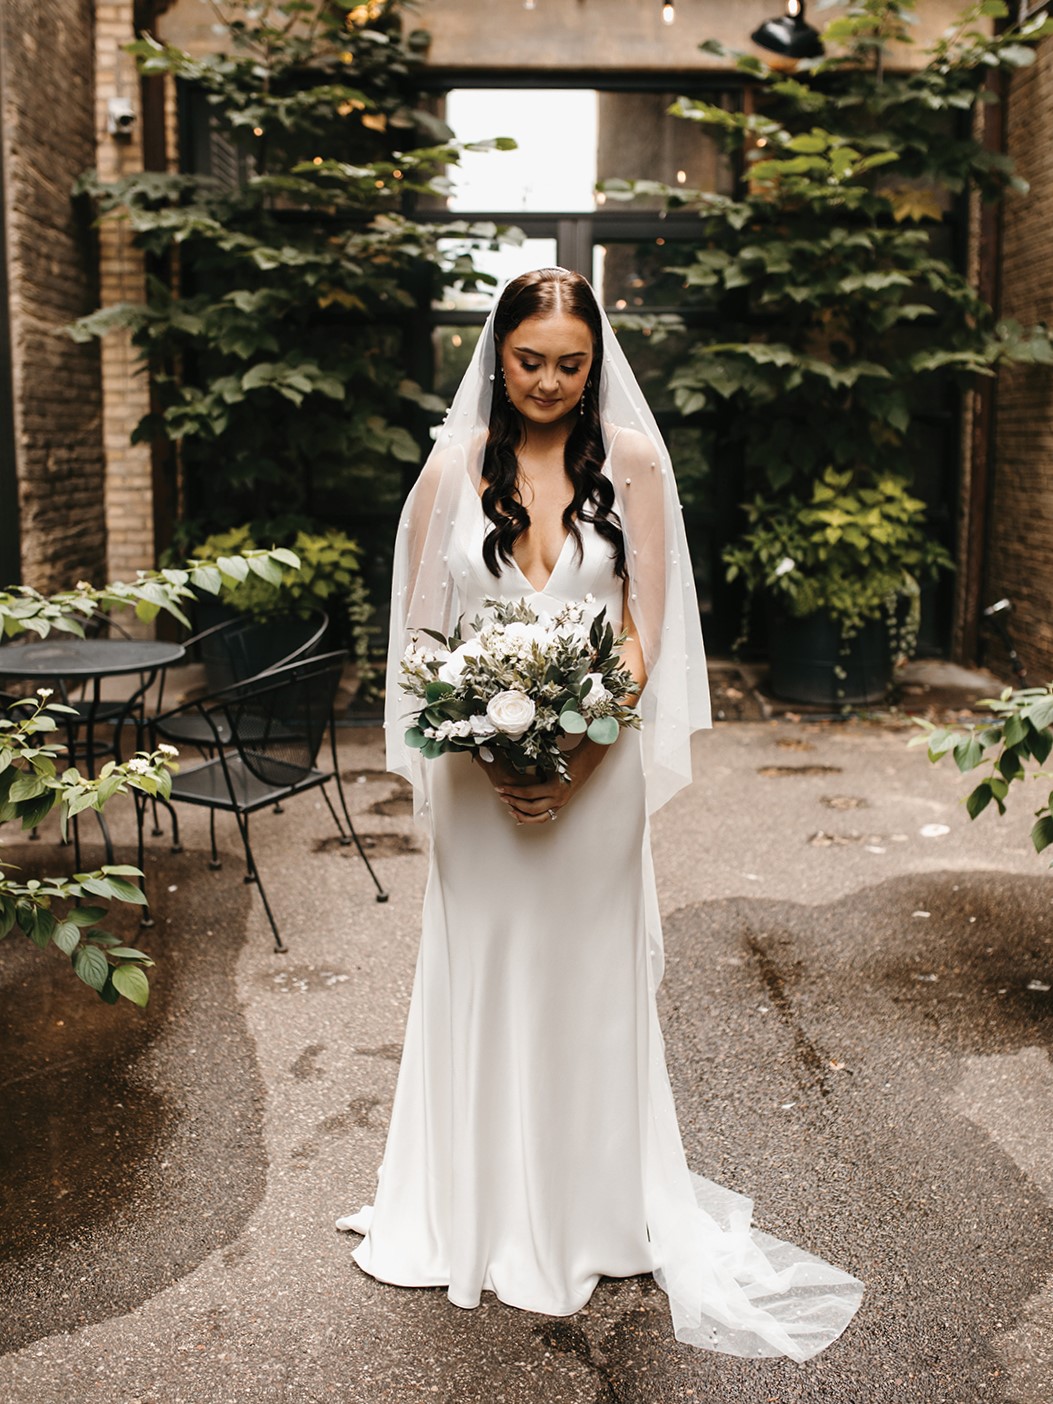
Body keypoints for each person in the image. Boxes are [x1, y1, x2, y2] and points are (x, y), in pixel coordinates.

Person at [338, 268, 863, 1360]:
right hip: (477, 786)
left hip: (597, 772)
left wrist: (570, 750)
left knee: (585, 978)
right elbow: (421, 642)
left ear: (596, 359)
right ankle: (474, 1207)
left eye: (570, 363)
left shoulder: (631, 464)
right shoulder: (449, 470)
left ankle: (587, 1203)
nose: (548, 381)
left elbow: (643, 627)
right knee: (484, 971)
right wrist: (490, 753)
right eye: (530, 360)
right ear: (499, 353)